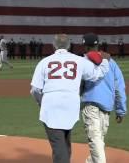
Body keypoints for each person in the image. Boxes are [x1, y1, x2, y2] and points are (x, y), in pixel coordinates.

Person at [30, 33, 110, 163]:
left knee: (59, 146)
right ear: (69, 45)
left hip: (51, 105)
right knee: (64, 143)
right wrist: (105, 61)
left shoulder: (44, 62)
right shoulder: (79, 60)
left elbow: (35, 89)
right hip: (70, 105)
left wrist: (41, 102)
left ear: (54, 46)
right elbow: (97, 74)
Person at [81, 33, 127, 163]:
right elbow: (119, 87)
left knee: (97, 143)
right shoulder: (111, 62)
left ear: (85, 46)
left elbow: (78, 86)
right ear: (98, 44)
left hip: (92, 106)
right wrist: (121, 110)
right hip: (104, 107)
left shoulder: (83, 62)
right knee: (97, 143)